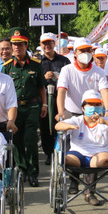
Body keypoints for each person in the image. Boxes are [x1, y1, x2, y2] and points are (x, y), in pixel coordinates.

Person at [55, 90, 108, 205]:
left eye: (97, 105)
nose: (94, 108)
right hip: (78, 155)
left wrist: (105, 122)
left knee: (104, 159)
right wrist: (68, 126)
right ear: (83, 108)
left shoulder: (106, 120)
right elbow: (58, 125)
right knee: (63, 160)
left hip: (100, 155)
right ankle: (85, 190)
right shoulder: (77, 120)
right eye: (90, 104)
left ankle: (90, 193)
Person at [1, 28, 46, 187]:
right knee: (17, 140)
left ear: (26, 45)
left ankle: (33, 173)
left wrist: (44, 104)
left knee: (31, 139)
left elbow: (41, 87)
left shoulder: (35, 64)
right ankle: (22, 169)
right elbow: (3, 89)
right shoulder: (7, 67)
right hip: (14, 108)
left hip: (32, 106)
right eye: (14, 44)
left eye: (20, 44)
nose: (17, 47)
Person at [57, 38, 108, 121]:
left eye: (88, 50)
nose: (86, 53)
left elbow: (104, 92)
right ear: (75, 53)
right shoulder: (67, 70)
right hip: (72, 113)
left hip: (93, 114)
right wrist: (60, 112)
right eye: (82, 50)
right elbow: (61, 91)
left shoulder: (99, 71)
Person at [38, 33, 70, 165]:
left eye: (50, 43)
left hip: (60, 98)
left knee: (61, 125)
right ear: (41, 45)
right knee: (45, 127)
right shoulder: (37, 62)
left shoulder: (64, 61)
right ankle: (49, 152)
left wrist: (58, 76)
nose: (47, 46)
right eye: (44, 43)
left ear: (54, 43)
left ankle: (62, 151)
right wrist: (43, 77)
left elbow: (69, 78)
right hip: (44, 99)